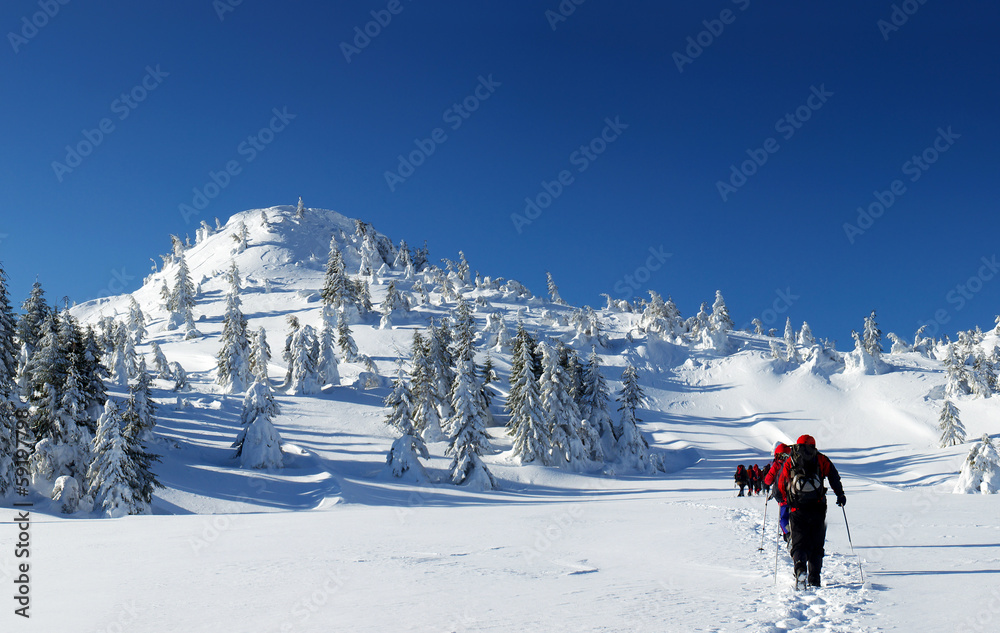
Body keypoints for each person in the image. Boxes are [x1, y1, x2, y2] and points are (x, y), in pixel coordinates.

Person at [777, 435, 846, 588]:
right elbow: (834, 477)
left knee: (798, 543)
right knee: (816, 544)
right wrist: (840, 495)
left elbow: (780, 484)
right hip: (818, 507)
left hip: (797, 508)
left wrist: (784, 500)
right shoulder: (820, 459)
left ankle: (800, 568)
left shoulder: (791, 460)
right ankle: (815, 578)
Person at [764, 443, 791, 542]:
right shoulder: (794, 464)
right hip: (796, 496)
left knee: (783, 518)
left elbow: (767, 480)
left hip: (782, 497)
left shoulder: (776, 465)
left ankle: (788, 534)